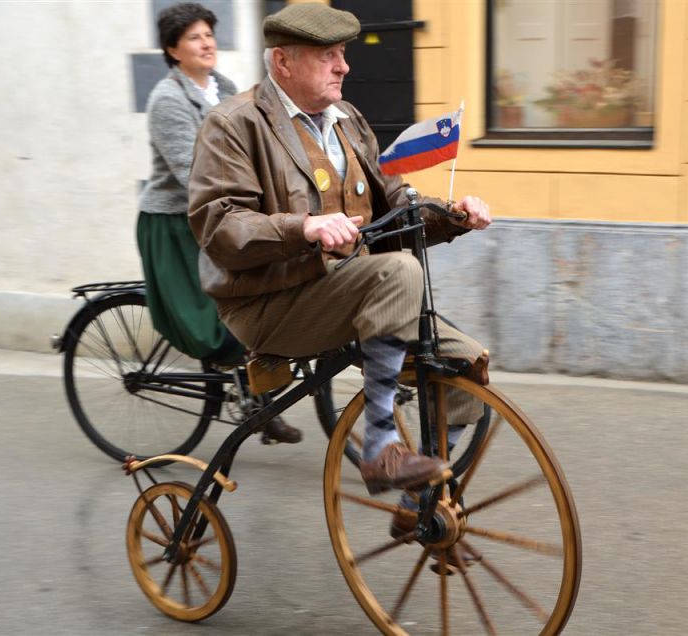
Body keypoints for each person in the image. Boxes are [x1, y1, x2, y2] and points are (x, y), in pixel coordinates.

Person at [187, 2, 491, 495]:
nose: (344, 66)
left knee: (467, 365)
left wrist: (452, 216)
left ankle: (425, 505)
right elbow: (219, 227)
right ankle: (379, 450)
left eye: (343, 53)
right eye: (328, 54)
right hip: (267, 302)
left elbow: (395, 204)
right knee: (398, 273)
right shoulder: (234, 123)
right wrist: (303, 227)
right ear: (283, 62)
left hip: (348, 289)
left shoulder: (347, 119)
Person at [138, 2, 302, 444]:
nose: (207, 41)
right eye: (193, 36)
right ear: (173, 49)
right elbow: (193, 170)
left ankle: (258, 400)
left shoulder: (225, 86)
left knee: (267, 292)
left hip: (224, 213)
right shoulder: (167, 100)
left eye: (208, 33)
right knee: (224, 315)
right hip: (177, 223)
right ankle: (251, 394)